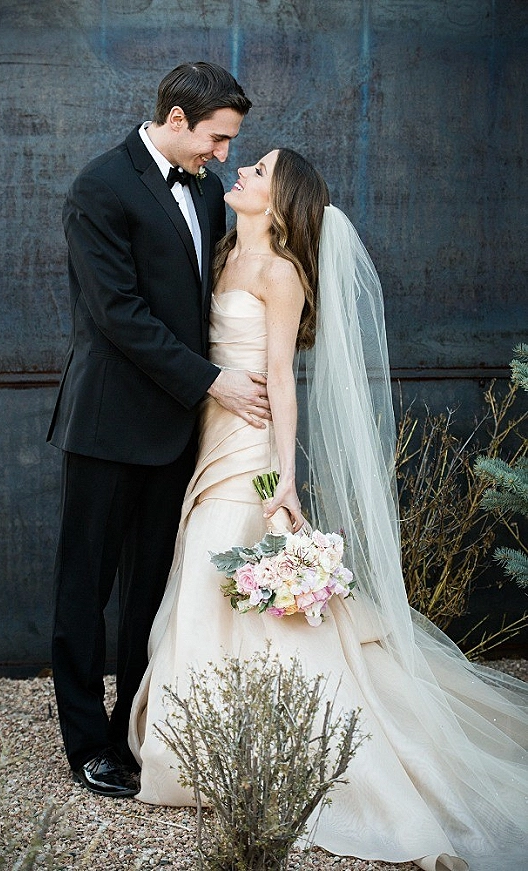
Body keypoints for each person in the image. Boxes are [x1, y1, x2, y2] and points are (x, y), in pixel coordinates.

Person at [128, 148, 528, 870]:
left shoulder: (281, 274)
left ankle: (236, 744)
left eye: (259, 171)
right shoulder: (223, 252)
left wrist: (285, 477)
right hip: (206, 431)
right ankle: (210, 733)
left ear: (281, 203)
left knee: (227, 568)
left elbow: (282, 377)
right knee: (206, 571)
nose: (242, 171)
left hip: (249, 446)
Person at [47, 62, 272, 798]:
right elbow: (118, 315)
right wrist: (213, 380)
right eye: (217, 138)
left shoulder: (207, 190)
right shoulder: (99, 186)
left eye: (231, 141)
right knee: (86, 590)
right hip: (109, 424)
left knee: (151, 589)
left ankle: (132, 730)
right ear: (177, 120)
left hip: (181, 429)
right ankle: (88, 744)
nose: (224, 154)